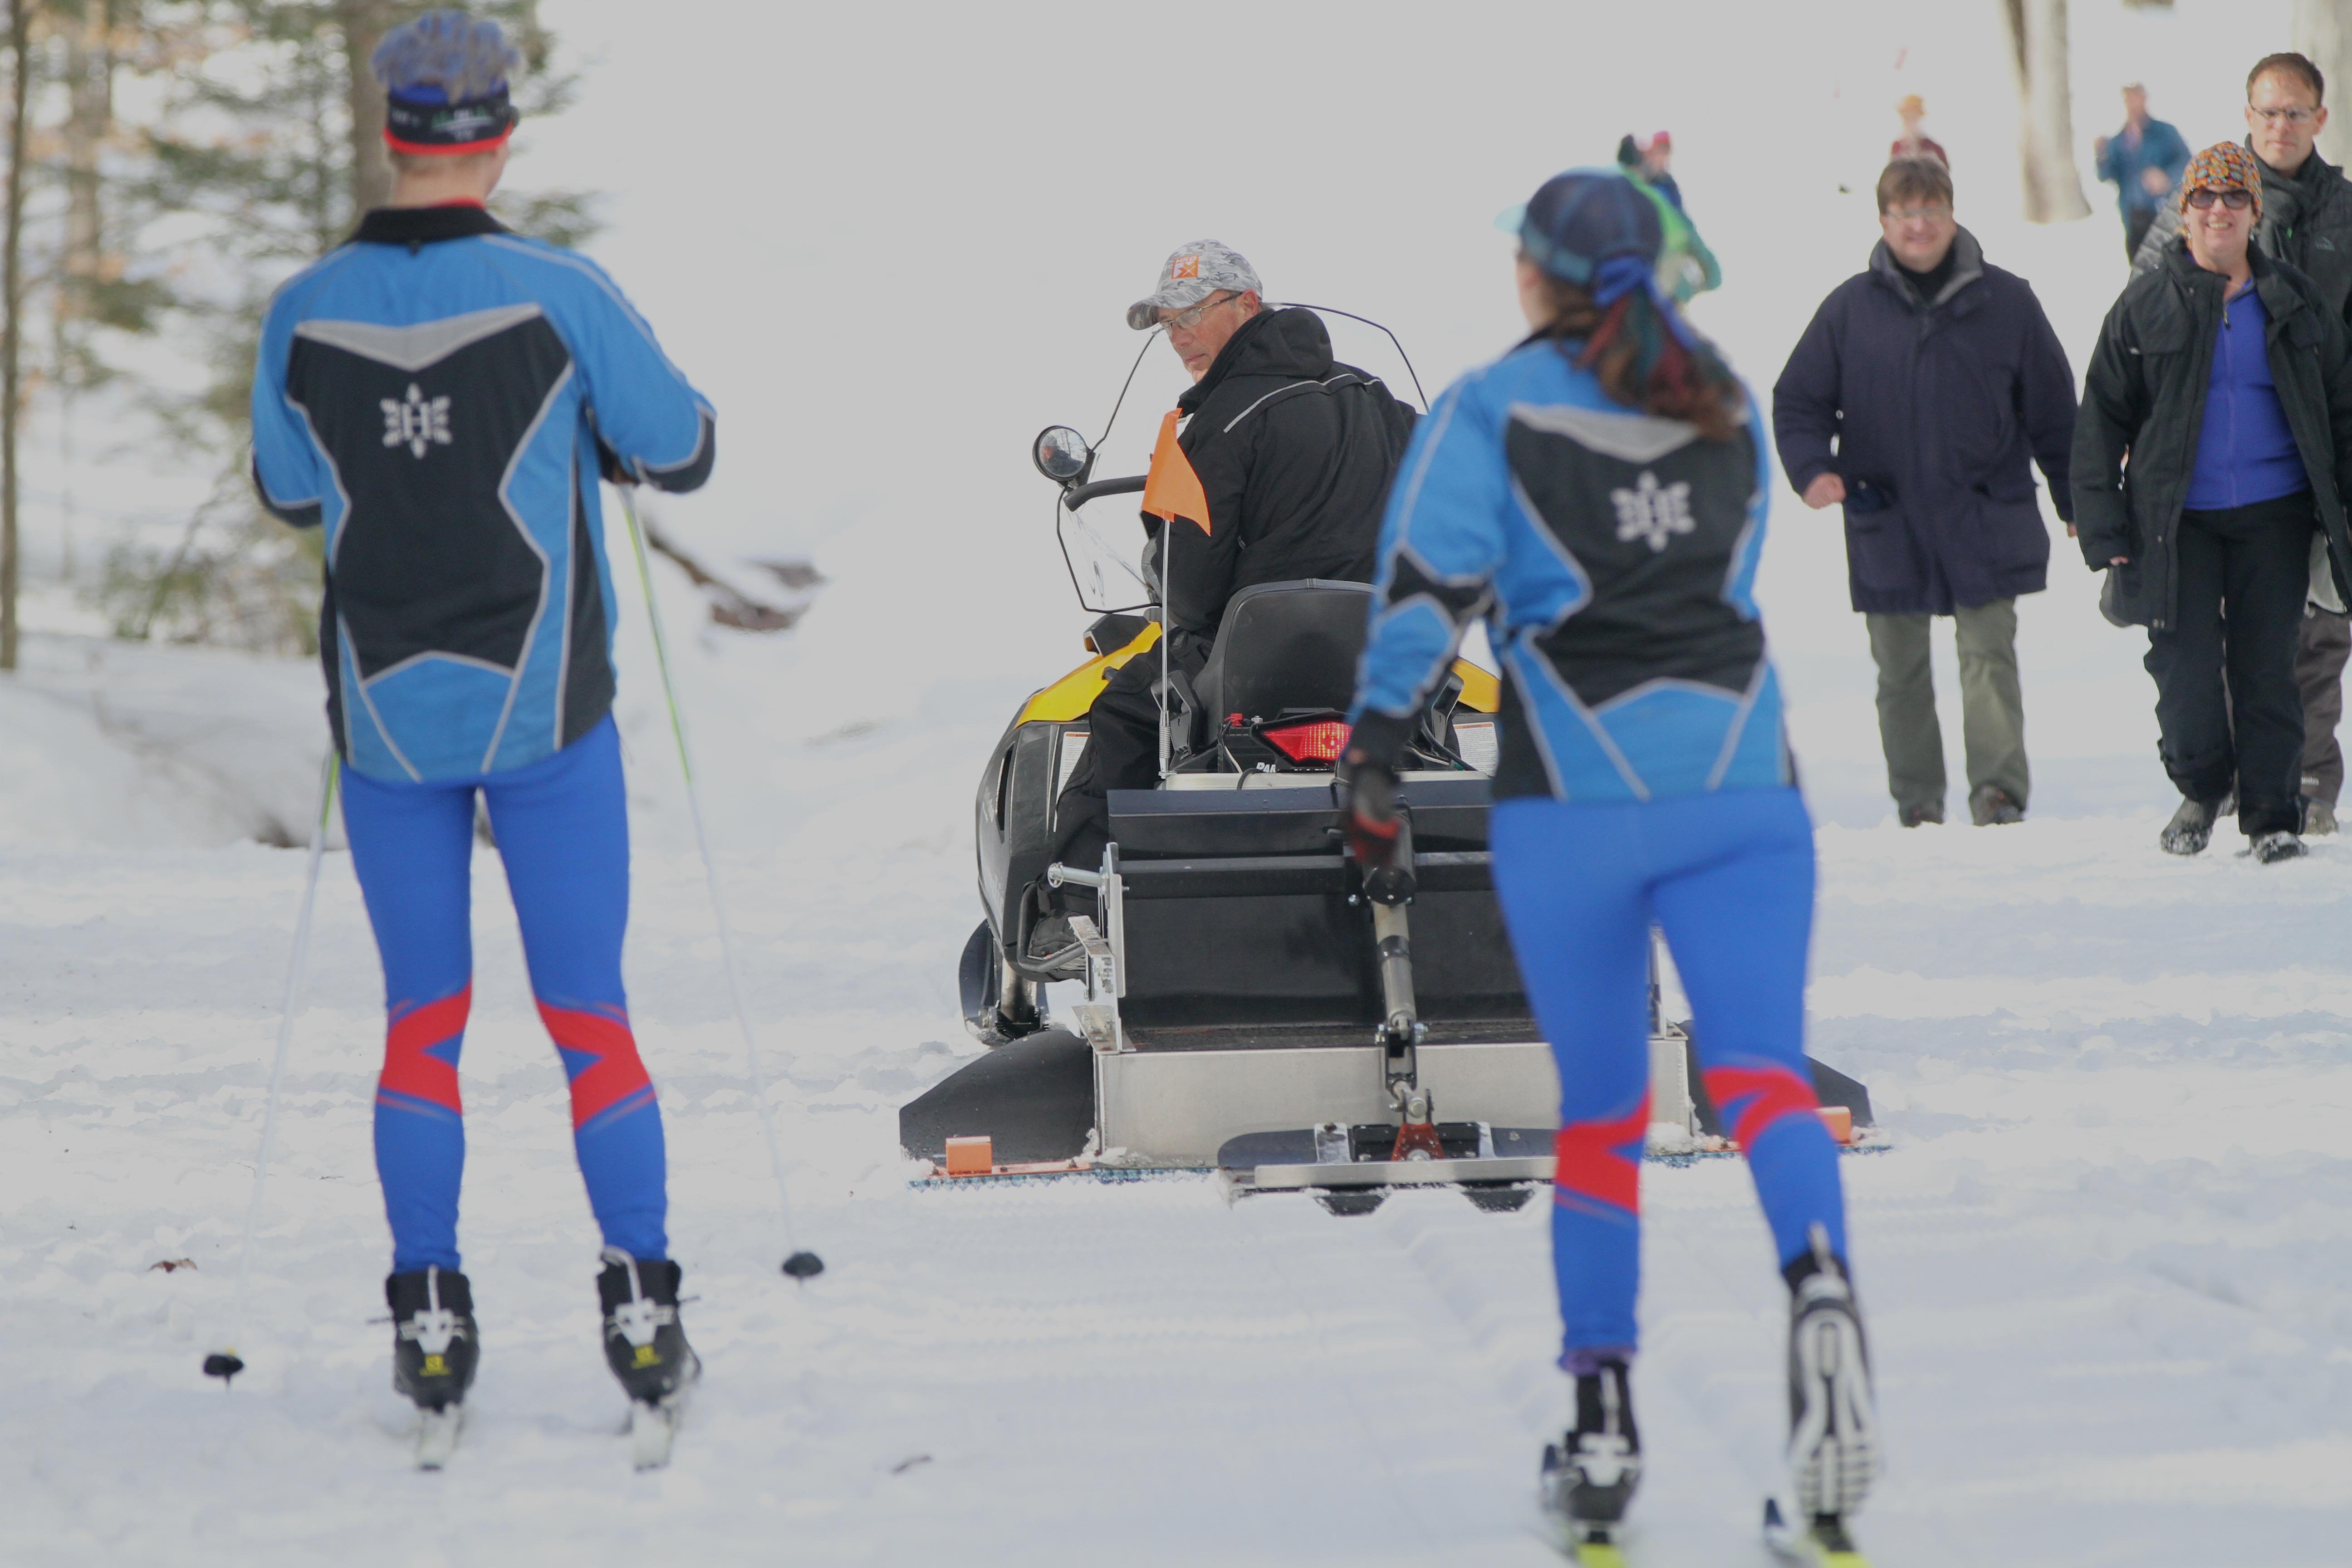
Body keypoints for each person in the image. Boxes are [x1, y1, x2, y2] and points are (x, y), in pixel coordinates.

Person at [1338, 168, 1877, 1561]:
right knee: (1760, 1077)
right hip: (1746, 780)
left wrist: (1378, 758)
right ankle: (1821, 1295)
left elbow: (1422, 598)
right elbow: (1735, 568)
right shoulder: (1723, 397)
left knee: (1600, 1116)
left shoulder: (1487, 408)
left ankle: (1601, 1430)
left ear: (1536, 277)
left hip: (1570, 794)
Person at [249, 11, 710, 1436]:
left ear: (392, 133)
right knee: (590, 1018)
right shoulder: (557, 289)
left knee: (422, 1028)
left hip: (388, 729)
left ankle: (431, 1316)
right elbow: (682, 446)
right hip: (548, 717)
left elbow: (287, 484)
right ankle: (641, 1306)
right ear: (501, 133)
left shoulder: (301, 308)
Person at [1040, 242, 1416, 891]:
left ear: (1248, 304)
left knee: (1125, 710)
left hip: (1257, 669)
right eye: (1168, 324)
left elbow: (1188, 585)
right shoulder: (1378, 398)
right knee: (1452, 720)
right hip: (1384, 657)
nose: (1178, 336)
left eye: (1191, 314)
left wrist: (1187, 615)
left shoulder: (1215, 424)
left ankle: (1067, 895)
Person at [1774, 157, 2077, 827]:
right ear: (1883, 221)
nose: (1919, 226)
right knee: (1900, 671)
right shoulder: (1851, 308)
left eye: (1931, 212)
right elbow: (1799, 401)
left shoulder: (2008, 301)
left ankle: (1997, 792)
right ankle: (1918, 800)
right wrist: (1811, 469)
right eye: (1905, 214)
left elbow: (2055, 411)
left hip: (1985, 511)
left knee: (1988, 657)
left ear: (1952, 214)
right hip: (1888, 516)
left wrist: (2074, 498)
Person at [2077, 142, 2352, 863]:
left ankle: (2272, 816)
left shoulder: (2294, 301)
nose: (2220, 211)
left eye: (2236, 198)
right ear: (2185, 213)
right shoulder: (2146, 304)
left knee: (2267, 667)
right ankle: (2202, 787)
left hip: (2275, 515)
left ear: (2256, 213)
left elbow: (2341, 408)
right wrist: (2103, 524)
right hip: (2177, 523)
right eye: (2205, 198)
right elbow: (2101, 416)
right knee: (2184, 666)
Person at [2133, 53, 2352, 835]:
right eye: (2265, 112)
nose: (2278, 126)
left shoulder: (2343, 213)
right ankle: (2220, 777)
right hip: (2210, 458)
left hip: (2315, 452)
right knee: (2218, 629)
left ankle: (2307, 781)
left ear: (2318, 120)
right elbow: (2145, 311)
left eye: (2293, 113)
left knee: (2316, 627)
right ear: (2245, 115)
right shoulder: (2198, 202)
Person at [2094, 83, 2191, 261]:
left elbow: (2186, 162)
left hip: (2164, 215)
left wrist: (2167, 178)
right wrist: (2101, 154)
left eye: (2136, 98)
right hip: (2133, 218)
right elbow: (2106, 175)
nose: (2132, 104)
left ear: (2144, 99)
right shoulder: (2119, 140)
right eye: (2128, 99)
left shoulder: (2165, 133)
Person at [1890, 94, 1947, 166]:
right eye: (1905, 116)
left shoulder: (1934, 148)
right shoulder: (1897, 146)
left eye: (1912, 115)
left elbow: (1944, 174)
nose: (1908, 120)